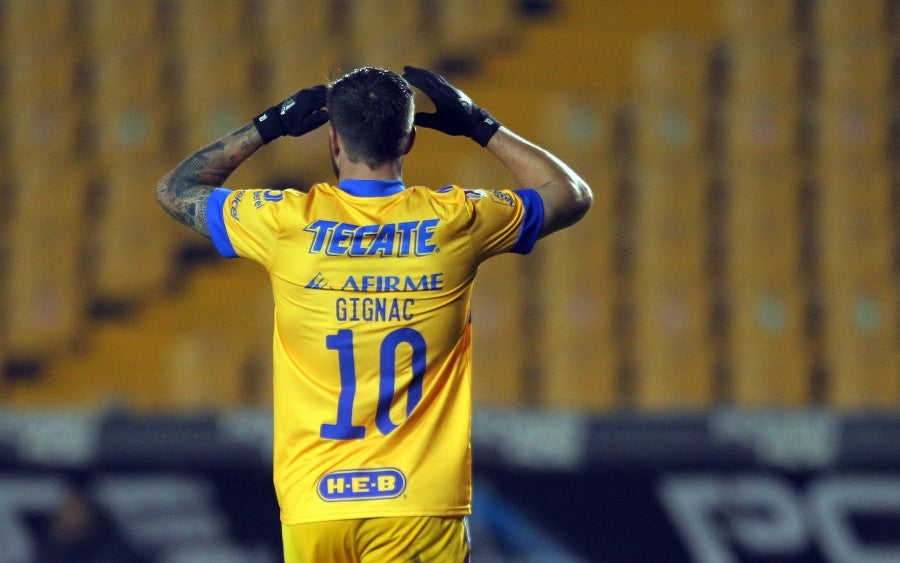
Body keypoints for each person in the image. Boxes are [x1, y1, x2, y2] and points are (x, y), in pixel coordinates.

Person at [156, 66, 591, 562]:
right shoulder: (453, 221)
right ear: (409, 141)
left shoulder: (286, 221)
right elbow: (570, 193)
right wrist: (477, 124)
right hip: (418, 501)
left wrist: (269, 124)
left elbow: (176, 188)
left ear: (333, 141)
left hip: (315, 503)